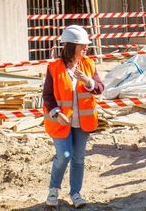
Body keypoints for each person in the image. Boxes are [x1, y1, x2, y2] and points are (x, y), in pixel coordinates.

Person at [42, 25, 104, 209]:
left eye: (86, 45)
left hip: (82, 122)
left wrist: (88, 81)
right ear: (70, 46)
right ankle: (53, 190)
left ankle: (76, 193)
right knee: (64, 155)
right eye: (82, 45)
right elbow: (47, 95)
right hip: (61, 122)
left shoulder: (89, 64)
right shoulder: (54, 67)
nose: (86, 49)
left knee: (78, 158)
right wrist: (56, 112)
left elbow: (100, 89)